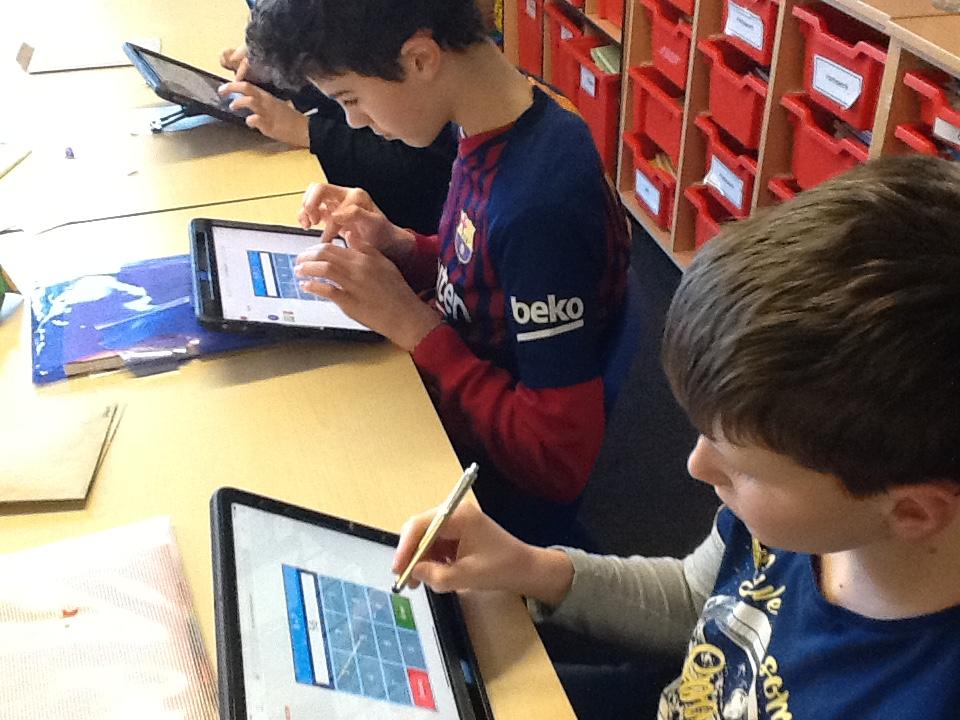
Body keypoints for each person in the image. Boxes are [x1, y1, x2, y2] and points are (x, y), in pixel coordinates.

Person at [392, 156, 960, 718]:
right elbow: (698, 598)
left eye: (744, 468)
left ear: (912, 511)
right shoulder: (808, 509)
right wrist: (526, 566)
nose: (697, 465)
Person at [244, 0, 632, 545]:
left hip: (484, 487)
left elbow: (556, 460)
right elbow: (484, 273)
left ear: (421, 59)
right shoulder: (502, 115)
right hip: (458, 387)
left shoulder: (537, 208)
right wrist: (400, 245)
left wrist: (413, 325)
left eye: (350, 99)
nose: (353, 121)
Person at [217, 45, 456, 235]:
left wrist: (307, 130)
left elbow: (421, 168)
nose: (354, 119)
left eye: (351, 100)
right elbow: (346, 83)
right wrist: (284, 72)